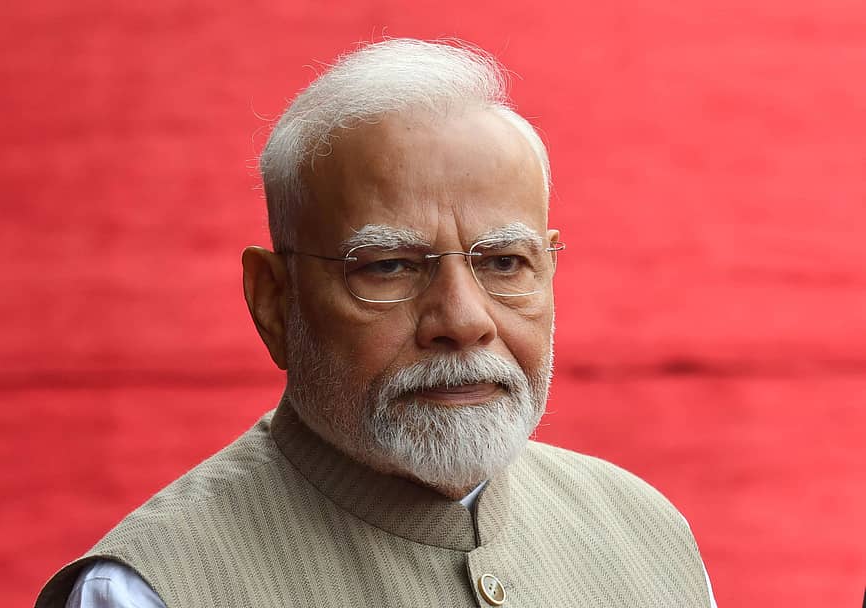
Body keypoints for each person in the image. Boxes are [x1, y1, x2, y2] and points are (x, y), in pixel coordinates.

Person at [36, 38, 717, 607]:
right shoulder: (156, 590)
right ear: (274, 301)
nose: (463, 319)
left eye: (505, 262)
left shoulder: (647, 536)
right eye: (389, 267)